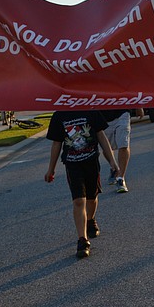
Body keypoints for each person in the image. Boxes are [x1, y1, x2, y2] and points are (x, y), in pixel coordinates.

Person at [45, 110, 119, 258]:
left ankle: (90, 220)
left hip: (91, 162)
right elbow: (56, 143)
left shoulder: (90, 109)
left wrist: (112, 161)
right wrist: (51, 169)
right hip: (72, 165)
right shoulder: (60, 114)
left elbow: (101, 135)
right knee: (79, 201)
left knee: (92, 198)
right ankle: (82, 240)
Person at [101, 109, 143, 193]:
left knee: (123, 144)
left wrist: (139, 106)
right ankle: (114, 168)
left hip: (122, 113)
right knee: (107, 147)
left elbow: (132, 94)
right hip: (102, 115)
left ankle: (121, 178)